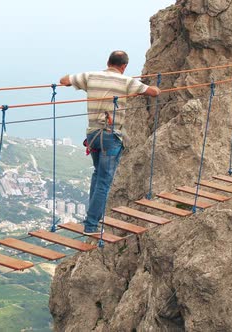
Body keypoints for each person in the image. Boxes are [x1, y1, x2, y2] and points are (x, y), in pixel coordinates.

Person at [60, 51, 161, 235]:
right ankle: (91, 226)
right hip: (110, 136)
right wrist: (157, 87)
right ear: (124, 67)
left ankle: (89, 220)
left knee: (97, 175)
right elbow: (152, 92)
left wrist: (85, 85)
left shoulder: (91, 76)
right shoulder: (127, 81)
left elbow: (64, 80)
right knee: (104, 182)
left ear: (107, 62)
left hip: (92, 135)